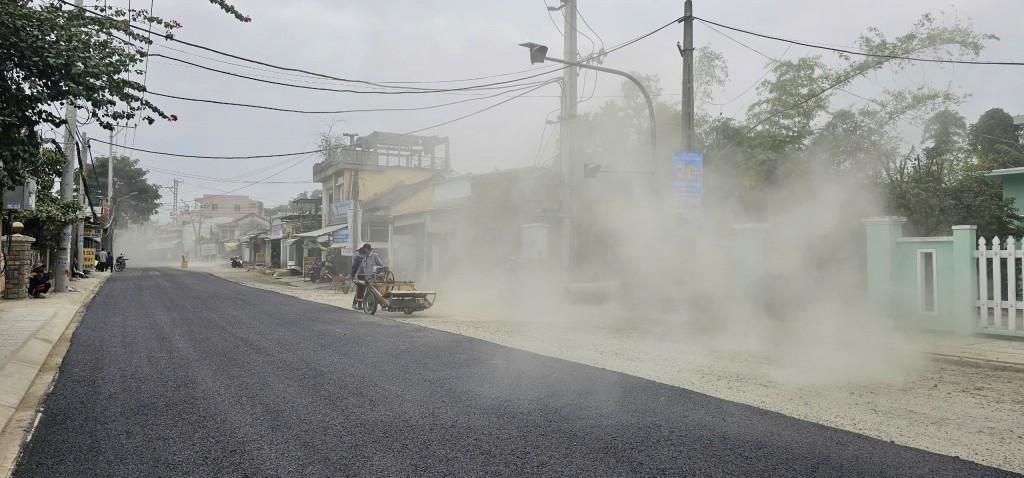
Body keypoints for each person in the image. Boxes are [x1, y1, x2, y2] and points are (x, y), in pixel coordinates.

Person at [351, 243, 385, 310]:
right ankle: (370, 306)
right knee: (369, 293)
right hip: (368, 280)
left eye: (364, 250)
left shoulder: (375, 256)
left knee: (377, 293)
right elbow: (360, 269)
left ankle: (383, 305)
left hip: (375, 279)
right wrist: (355, 276)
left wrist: (381, 274)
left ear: (367, 249)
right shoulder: (364, 259)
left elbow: (382, 266)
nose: (363, 251)